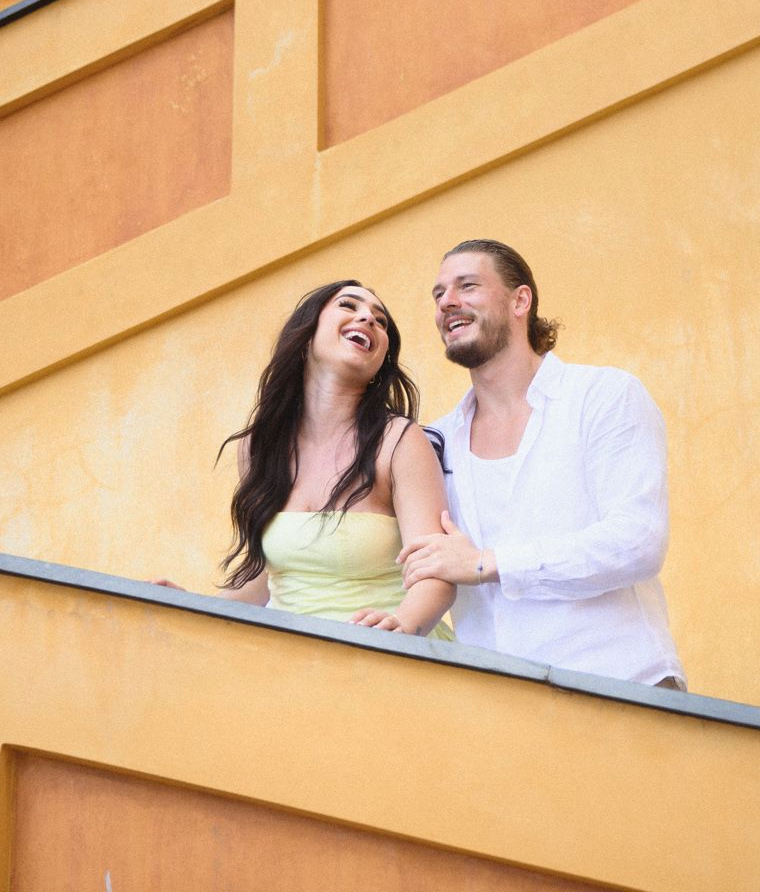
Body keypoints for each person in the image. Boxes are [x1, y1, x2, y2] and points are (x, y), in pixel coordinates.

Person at [399, 239, 685, 687]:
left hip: (624, 686)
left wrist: (487, 563)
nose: (447, 302)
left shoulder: (603, 396)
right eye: (438, 295)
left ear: (521, 300)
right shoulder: (434, 442)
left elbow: (638, 541)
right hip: (502, 709)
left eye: (467, 286)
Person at [215, 278, 455, 639]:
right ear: (305, 334)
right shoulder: (258, 448)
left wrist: (402, 626)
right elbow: (265, 579)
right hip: (294, 664)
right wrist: (183, 609)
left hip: (392, 657)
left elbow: (436, 571)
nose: (368, 319)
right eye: (349, 305)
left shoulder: (398, 441)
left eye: (381, 320)